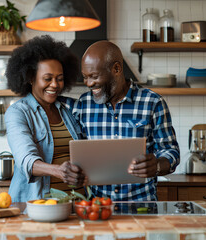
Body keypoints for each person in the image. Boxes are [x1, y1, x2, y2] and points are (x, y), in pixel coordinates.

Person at [62, 40, 180, 201]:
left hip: (141, 205)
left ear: (116, 69)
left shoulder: (152, 102)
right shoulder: (83, 105)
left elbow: (171, 151)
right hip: (97, 207)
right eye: (85, 77)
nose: (89, 83)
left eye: (94, 76)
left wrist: (157, 165)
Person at [4, 35, 87, 203]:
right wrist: (58, 171)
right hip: (39, 205)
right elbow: (27, 161)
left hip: (77, 203)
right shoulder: (17, 112)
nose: (55, 84)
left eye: (60, 78)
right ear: (30, 77)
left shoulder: (68, 110)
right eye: (47, 78)